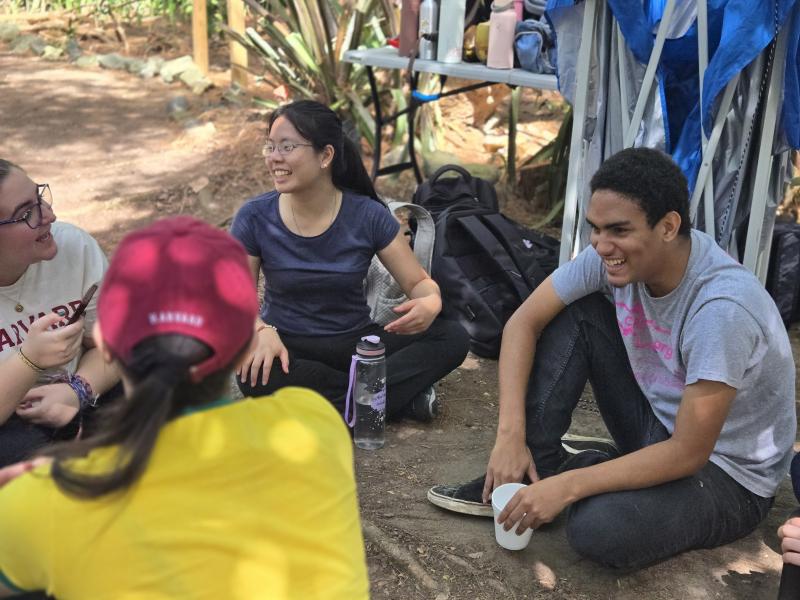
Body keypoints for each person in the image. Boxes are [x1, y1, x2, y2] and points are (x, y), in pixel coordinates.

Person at [427, 148, 796, 569]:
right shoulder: (610, 257)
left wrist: (570, 487)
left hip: (726, 477)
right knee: (577, 313)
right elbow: (522, 324)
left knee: (598, 531)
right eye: (595, 229)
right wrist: (510, 436)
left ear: (668, 226)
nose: (602, 246)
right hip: (659, 424)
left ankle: (574, 474)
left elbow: (689, 453)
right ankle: (535, 467)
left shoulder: (722, 309)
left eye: (618, 230)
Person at [0, 216, 370, 599]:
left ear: (106, 344)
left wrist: (33, 494)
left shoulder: (42, 503)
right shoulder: (312, 422)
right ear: (246, 343)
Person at [230, 100, 469, 421]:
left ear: (326, 155)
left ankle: (351, 406)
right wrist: (261, 330)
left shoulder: (367, 216)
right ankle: (388, 401)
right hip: (288, 347)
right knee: (255, 375)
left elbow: (418, 283)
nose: (274, 157)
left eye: (287, 147)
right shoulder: (255, 216)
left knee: (451, 337)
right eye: (270, 146)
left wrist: (431, 301)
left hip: (355, 346)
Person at [0, 159, 118, 467]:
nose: (50, 215)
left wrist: (76, 390)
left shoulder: (72, 246)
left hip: (86, 389)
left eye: (39, 198)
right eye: (26, 213)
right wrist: (29, 359)